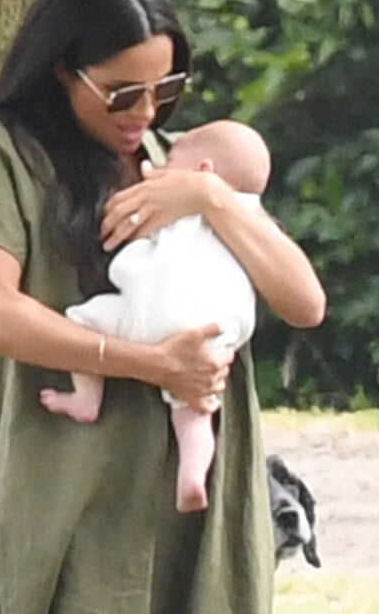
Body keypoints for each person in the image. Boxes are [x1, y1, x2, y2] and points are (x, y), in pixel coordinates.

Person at [0, 0, 326, 614]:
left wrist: (211, 197)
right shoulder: (2, 151)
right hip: (74, 488)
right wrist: (152, 364)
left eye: (166, 89)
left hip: (199, 499)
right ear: (64, 70)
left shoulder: (189, 164)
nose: (146, 112)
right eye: (123, 94)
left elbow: (304, 303)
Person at [40, 120, 270, 514]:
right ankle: (193, 475)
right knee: (196, 412)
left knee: (82, 320)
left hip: (151, 313)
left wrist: (169, 186)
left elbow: (309, 303)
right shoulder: (243, 214)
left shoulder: (172, 200)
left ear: (204, 173)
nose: (162, 165)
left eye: (173, 159)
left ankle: (85, 398)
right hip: (215, 331)